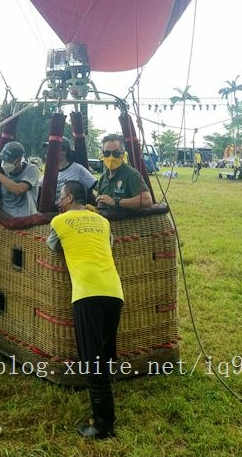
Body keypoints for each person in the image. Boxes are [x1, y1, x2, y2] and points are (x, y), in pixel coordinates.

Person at [47, 180, 123, 439]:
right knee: (105, 353)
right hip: (114, 291)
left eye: (61, 195)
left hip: (87, 293)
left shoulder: (59, 221)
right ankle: (101, 408)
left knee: (93, 359)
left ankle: (103, 424)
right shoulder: (102, 221)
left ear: (68, 198)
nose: (60, 199)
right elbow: (109, 244)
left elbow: (52, 246)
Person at [95, 135, 153, 210]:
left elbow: (147, 200)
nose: (111, 157)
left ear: (122, 155)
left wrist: (116, 202)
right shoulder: (103, 177)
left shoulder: (131, 174)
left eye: (115, 153)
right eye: (107, 153)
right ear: (103, 154)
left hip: (126, 220)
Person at [0, 141, 40, 216]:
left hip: (26, 219)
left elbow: (19, 190)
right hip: (6, 218)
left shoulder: (32, 169)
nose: (4, 162)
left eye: (8, 160)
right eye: (3, 159)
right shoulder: (3, 171)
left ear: (19, 160)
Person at [47, 137, 97, 207]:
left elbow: (97, 187)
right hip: (55, 211)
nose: (49, 151)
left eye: (53, 148)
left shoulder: (78, 169)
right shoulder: (50, 172)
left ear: (64, 151)